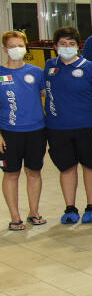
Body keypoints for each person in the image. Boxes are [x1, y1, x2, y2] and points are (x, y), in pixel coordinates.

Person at [43, 27, 92, 225]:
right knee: (67, 168)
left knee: (90, 166)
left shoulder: (90, 68)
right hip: (57, 128)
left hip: (87, 127)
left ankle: (91, 206)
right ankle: (70, 207)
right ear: (55, 46)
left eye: (71, 44)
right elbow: (43, 92)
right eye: (63, 44)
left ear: (78, 46)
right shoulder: (49, 66)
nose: (67, 47)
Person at [0, 31, 46, 230]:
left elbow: (47, 94)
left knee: (34, 172)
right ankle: (15, 217)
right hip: (9, 132)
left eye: (20, 45)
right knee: (11, 174)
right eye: (12, 46)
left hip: (36, 130)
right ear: (4, 49)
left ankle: (33, 212)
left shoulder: (36, 72)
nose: (17, 49)